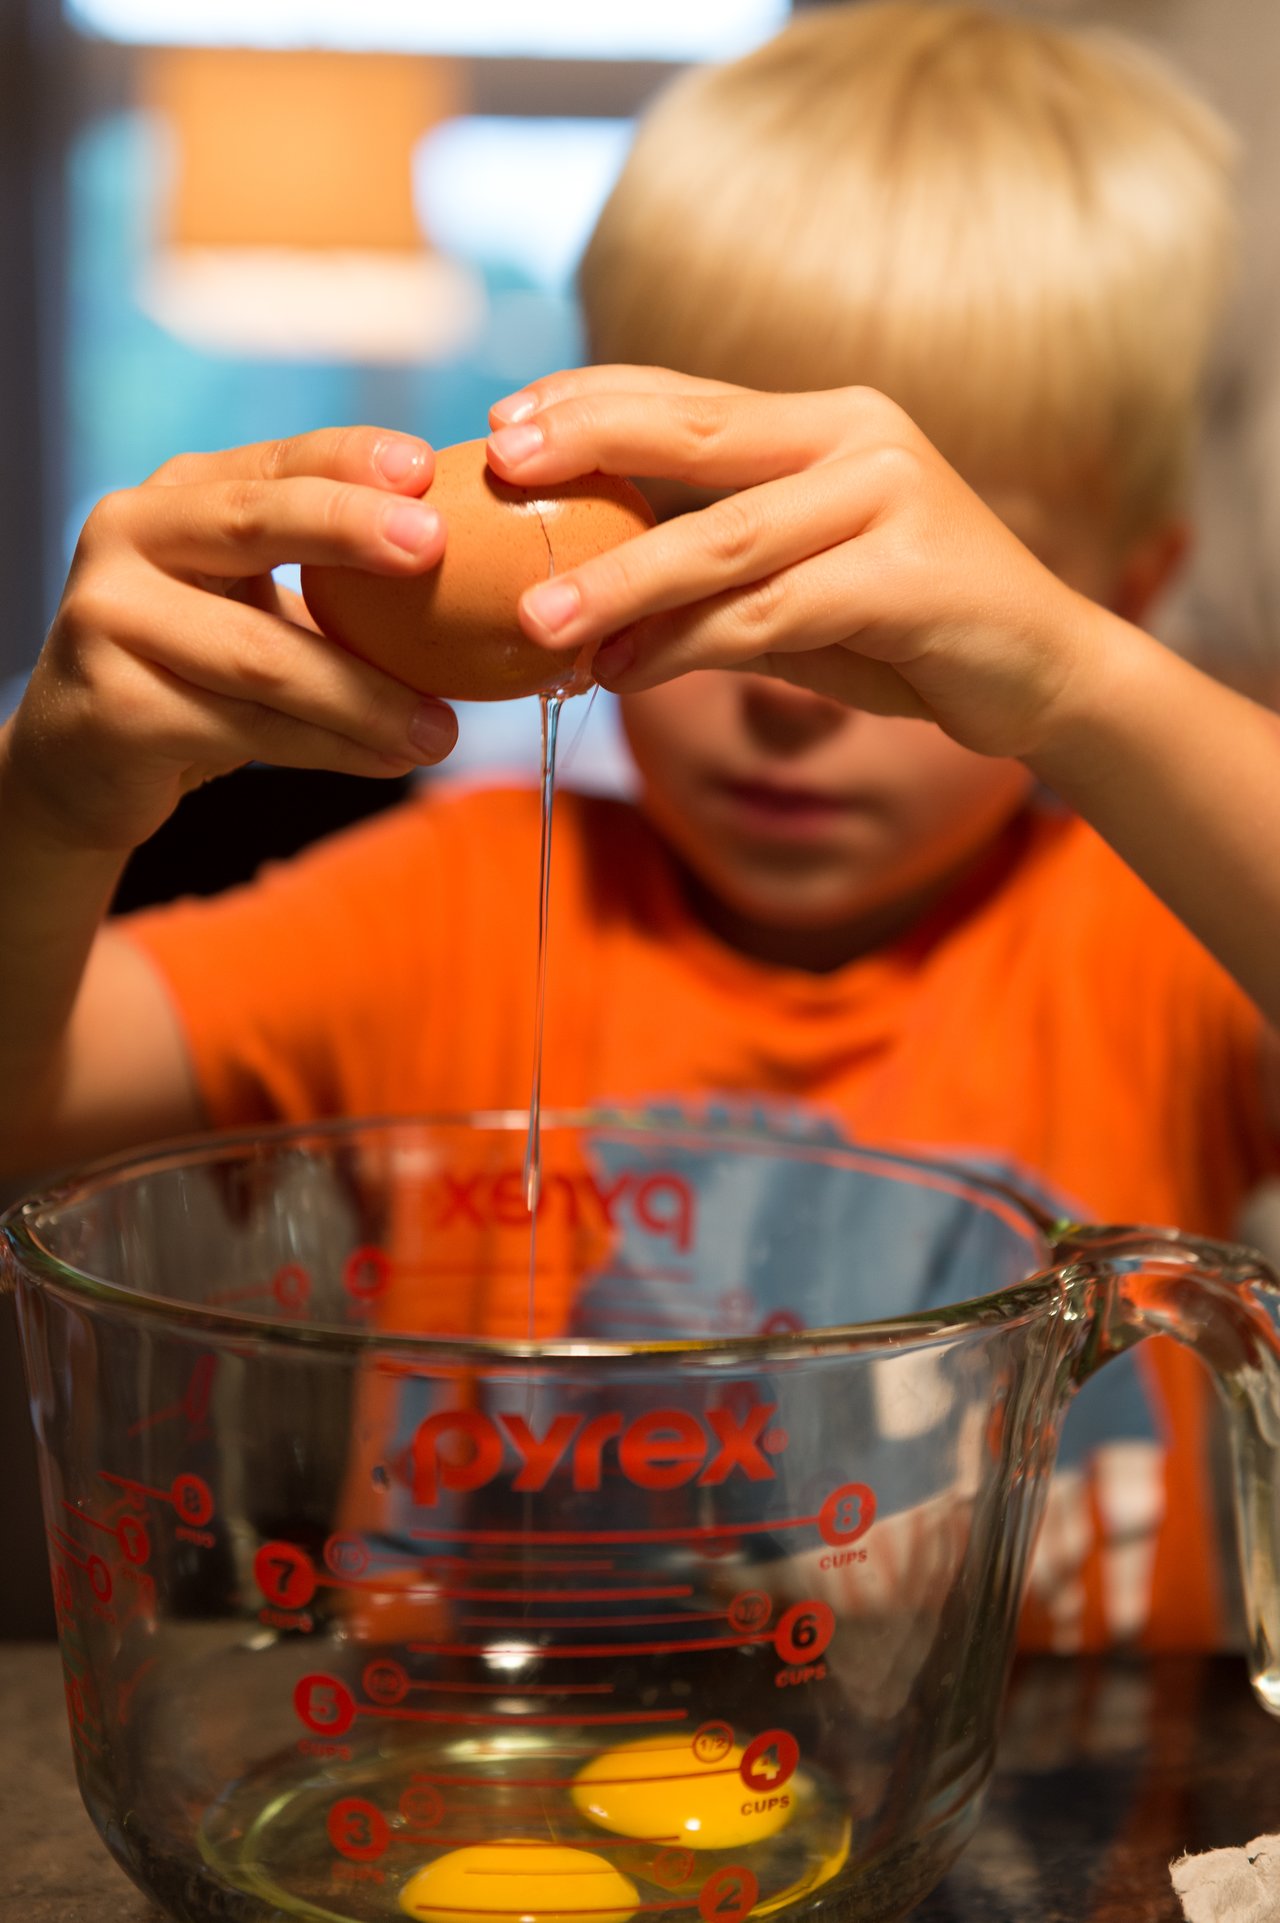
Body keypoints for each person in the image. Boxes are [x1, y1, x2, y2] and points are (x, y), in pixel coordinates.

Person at [0, 3, 1273, 1655]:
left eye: (886, 608)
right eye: (697, 548)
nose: (791, 687)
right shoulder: (437, 912)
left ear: (1124, 584)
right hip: (478, 1823)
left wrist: (1094, 689)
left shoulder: (1149, 931)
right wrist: (49, 801)